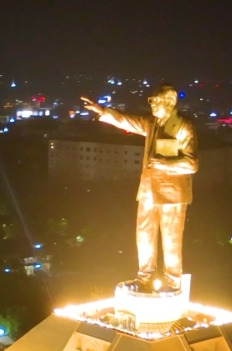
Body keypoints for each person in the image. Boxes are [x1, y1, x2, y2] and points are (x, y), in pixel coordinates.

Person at [80, 85, 198, 294]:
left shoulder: (183, 126)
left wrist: (165, 164)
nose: (151, 103)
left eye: (155, 100)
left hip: (172, 195)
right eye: (150, 100)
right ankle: (144, 277)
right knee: (144, 237)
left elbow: (192, 164)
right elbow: (128, 120)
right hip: (147, 192)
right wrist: (103, 112)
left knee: (171, 240)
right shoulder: (151, 123)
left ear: (169, 102)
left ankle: (172, 283)